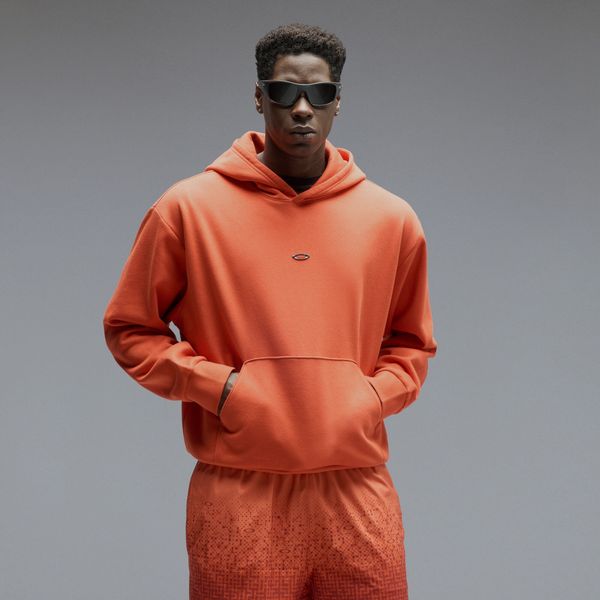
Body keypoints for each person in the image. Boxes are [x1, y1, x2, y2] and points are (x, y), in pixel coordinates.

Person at [103, 21, 437, 600]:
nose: (302, 108)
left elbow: (412, 343)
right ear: (259, 97)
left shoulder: (390, 219)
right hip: (238, 492)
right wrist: (222, 390)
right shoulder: (188, 210)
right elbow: (131, 328)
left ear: (338, 102)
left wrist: (368, 398)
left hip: (355, 487)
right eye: (284, 92)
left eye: (319, 93)